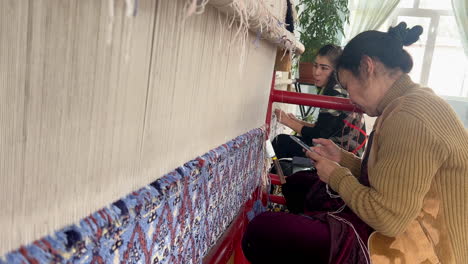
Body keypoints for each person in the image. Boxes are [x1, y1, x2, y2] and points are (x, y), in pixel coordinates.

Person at [243, 22, 468, 263]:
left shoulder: (410, 115)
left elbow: (388, 219)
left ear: (367, 66)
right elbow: (395, 181)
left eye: (348, 86)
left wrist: (337, 176)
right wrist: (343, 159)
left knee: (262, 231)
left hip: (421, 250)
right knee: (298, 184)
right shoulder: (407, 103)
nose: (349, 97)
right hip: (404, 227)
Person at [272, 44, 366, 159]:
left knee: (281, 142)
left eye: (324, 68)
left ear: (336, 70)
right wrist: (298, 122)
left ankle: (278, 177)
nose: (316, 72)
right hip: (343, 150)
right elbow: (324, 128)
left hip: (344, 157)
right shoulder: (338, 87)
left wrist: (288, 122)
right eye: (315, 66)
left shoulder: (336, 92)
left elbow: (318, 136)